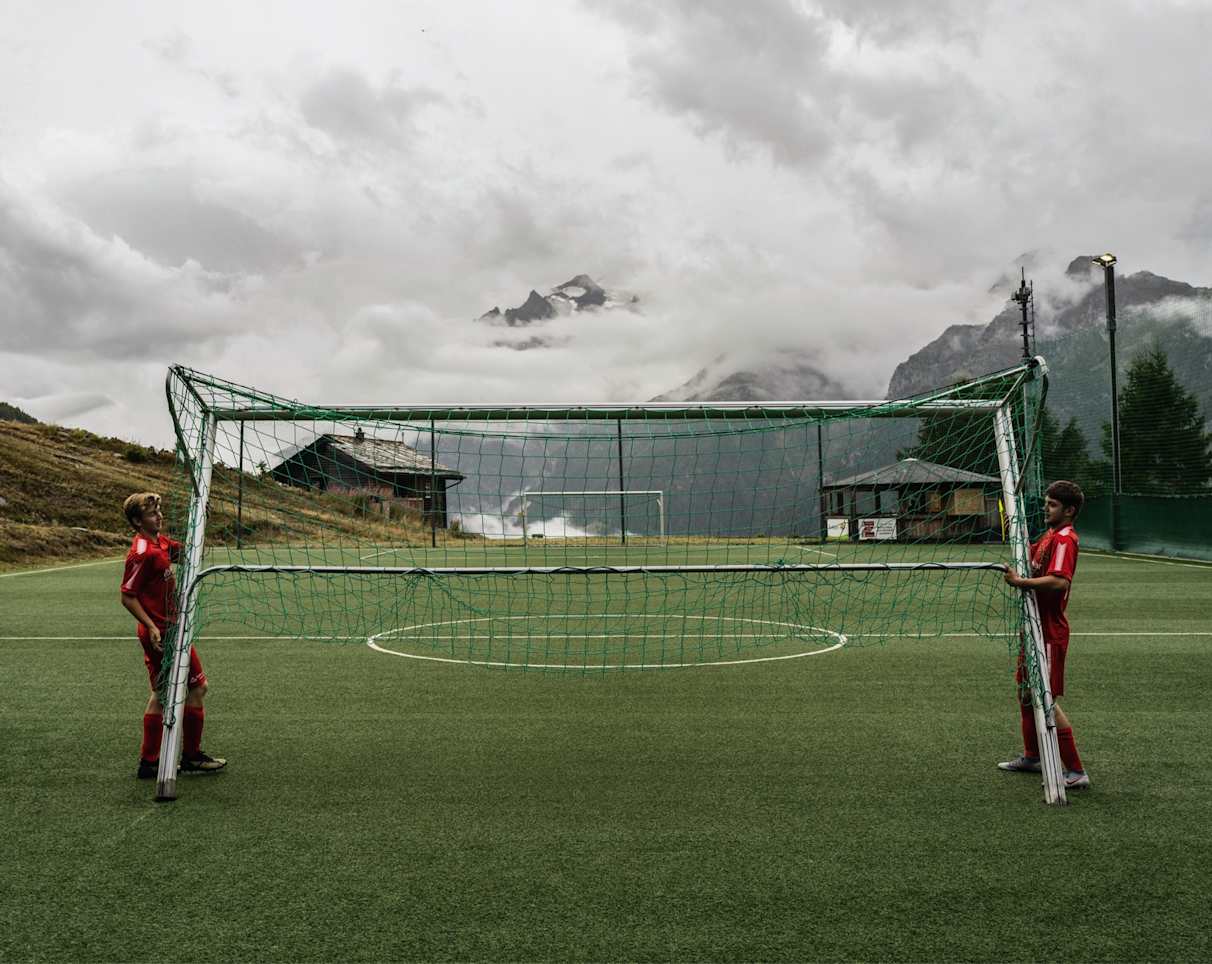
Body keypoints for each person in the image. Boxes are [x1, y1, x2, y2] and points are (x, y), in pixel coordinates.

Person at [120, 492, 226, 779]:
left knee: (187, 689)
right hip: (160, 633)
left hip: (173, 630)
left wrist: (204, 517)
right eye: (152, 513)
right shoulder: (142, 552)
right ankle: (167, 759)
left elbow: (194, 553)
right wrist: (152, 626)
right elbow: (127, 596)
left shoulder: (162, 543)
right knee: (170, 692)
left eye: (158, 511)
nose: (159, 516)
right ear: (137, 521)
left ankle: (160, 759)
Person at [999, 480, 1089, 789]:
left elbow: (1059, 582)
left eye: (1052, 505)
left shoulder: (1065, 539)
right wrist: (1016, 531)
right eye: (1046, 503)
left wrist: (1021, 583)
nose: (1045, 508)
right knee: (1026, 692)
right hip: (1033, 626)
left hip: (1049, 631)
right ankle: (1032, 756)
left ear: (1069, 510)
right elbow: (1030, 558)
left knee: (1045, 700)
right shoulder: (1050, 536)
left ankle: (1076, 770)